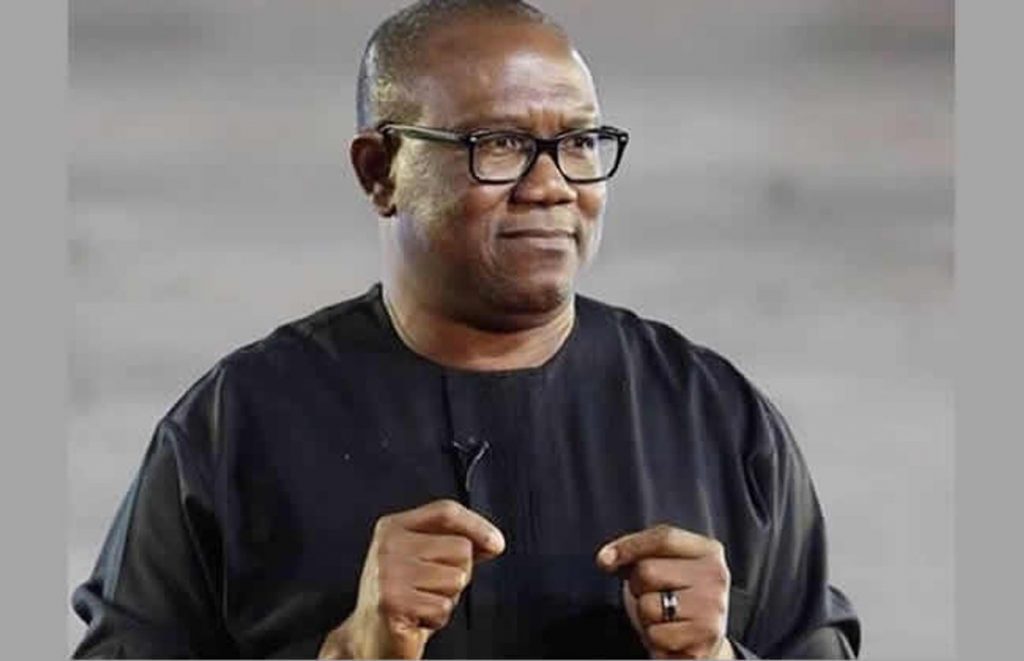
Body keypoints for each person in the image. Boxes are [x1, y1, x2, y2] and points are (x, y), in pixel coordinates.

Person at [71, 0, 861, 658]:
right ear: (379, 170)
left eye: (578, 142)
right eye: (501, 144)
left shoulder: (712, 418)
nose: (552, 185)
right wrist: (351, 652)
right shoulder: (240, 424)